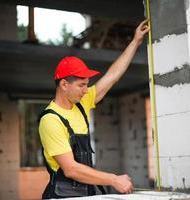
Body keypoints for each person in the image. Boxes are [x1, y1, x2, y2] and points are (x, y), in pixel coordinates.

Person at [38, 19, 149, 199]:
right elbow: (71, 169)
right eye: (81, 85)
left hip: (85, 192)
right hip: (62, 195)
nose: (86, 90)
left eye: (87, 85)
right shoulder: (51, 120)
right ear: (64, 84)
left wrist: (136, 40)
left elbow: (113, 75)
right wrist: (113, 180)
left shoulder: (81, 102)